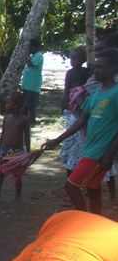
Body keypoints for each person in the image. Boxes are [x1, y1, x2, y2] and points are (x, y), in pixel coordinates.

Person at [44, 48, 118, 215]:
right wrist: (56, 140)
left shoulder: (116, 93)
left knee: (71, 186)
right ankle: (94, 222)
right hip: (90, 149)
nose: (96, 70)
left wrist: (110, 154)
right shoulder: (97, 93)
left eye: (101, 67)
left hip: (99, 153)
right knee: (93, 189)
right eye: (96, 67)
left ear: (113, 69)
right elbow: (81, 121)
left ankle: (83, 219)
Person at [59, 48, 92, 178]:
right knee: (71, 144)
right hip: (72, 111)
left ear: (83, 59)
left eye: (76, 58)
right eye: (71, 58)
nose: (73, 61)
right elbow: (66, 90)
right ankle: (70, 175)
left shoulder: (87, 72)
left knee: (81, 144)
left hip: (83, 110)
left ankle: (81, 175)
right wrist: (64, 105)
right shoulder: (69, 73)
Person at [0, 91, 29, 200]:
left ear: (16, 104)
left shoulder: (24, 120)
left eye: (8, 103)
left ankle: (18, 196)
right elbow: (3, 134)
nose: (6, 105)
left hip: (17, 151)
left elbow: (27, 137)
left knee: (18, 176)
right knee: (1, 172)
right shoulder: (7, 117)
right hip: (5, 150)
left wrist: (28, 153)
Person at [21, 38, 45, 151]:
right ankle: (26, 122)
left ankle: (31, 122)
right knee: (26, 104)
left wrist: (26, 55)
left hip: (33, 85)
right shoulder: (35, 55)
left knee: (31, 105)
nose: (29, 49)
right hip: (27, 84)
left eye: (30, 47)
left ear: (34, 47)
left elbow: (31, 64)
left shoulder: (39, 55)